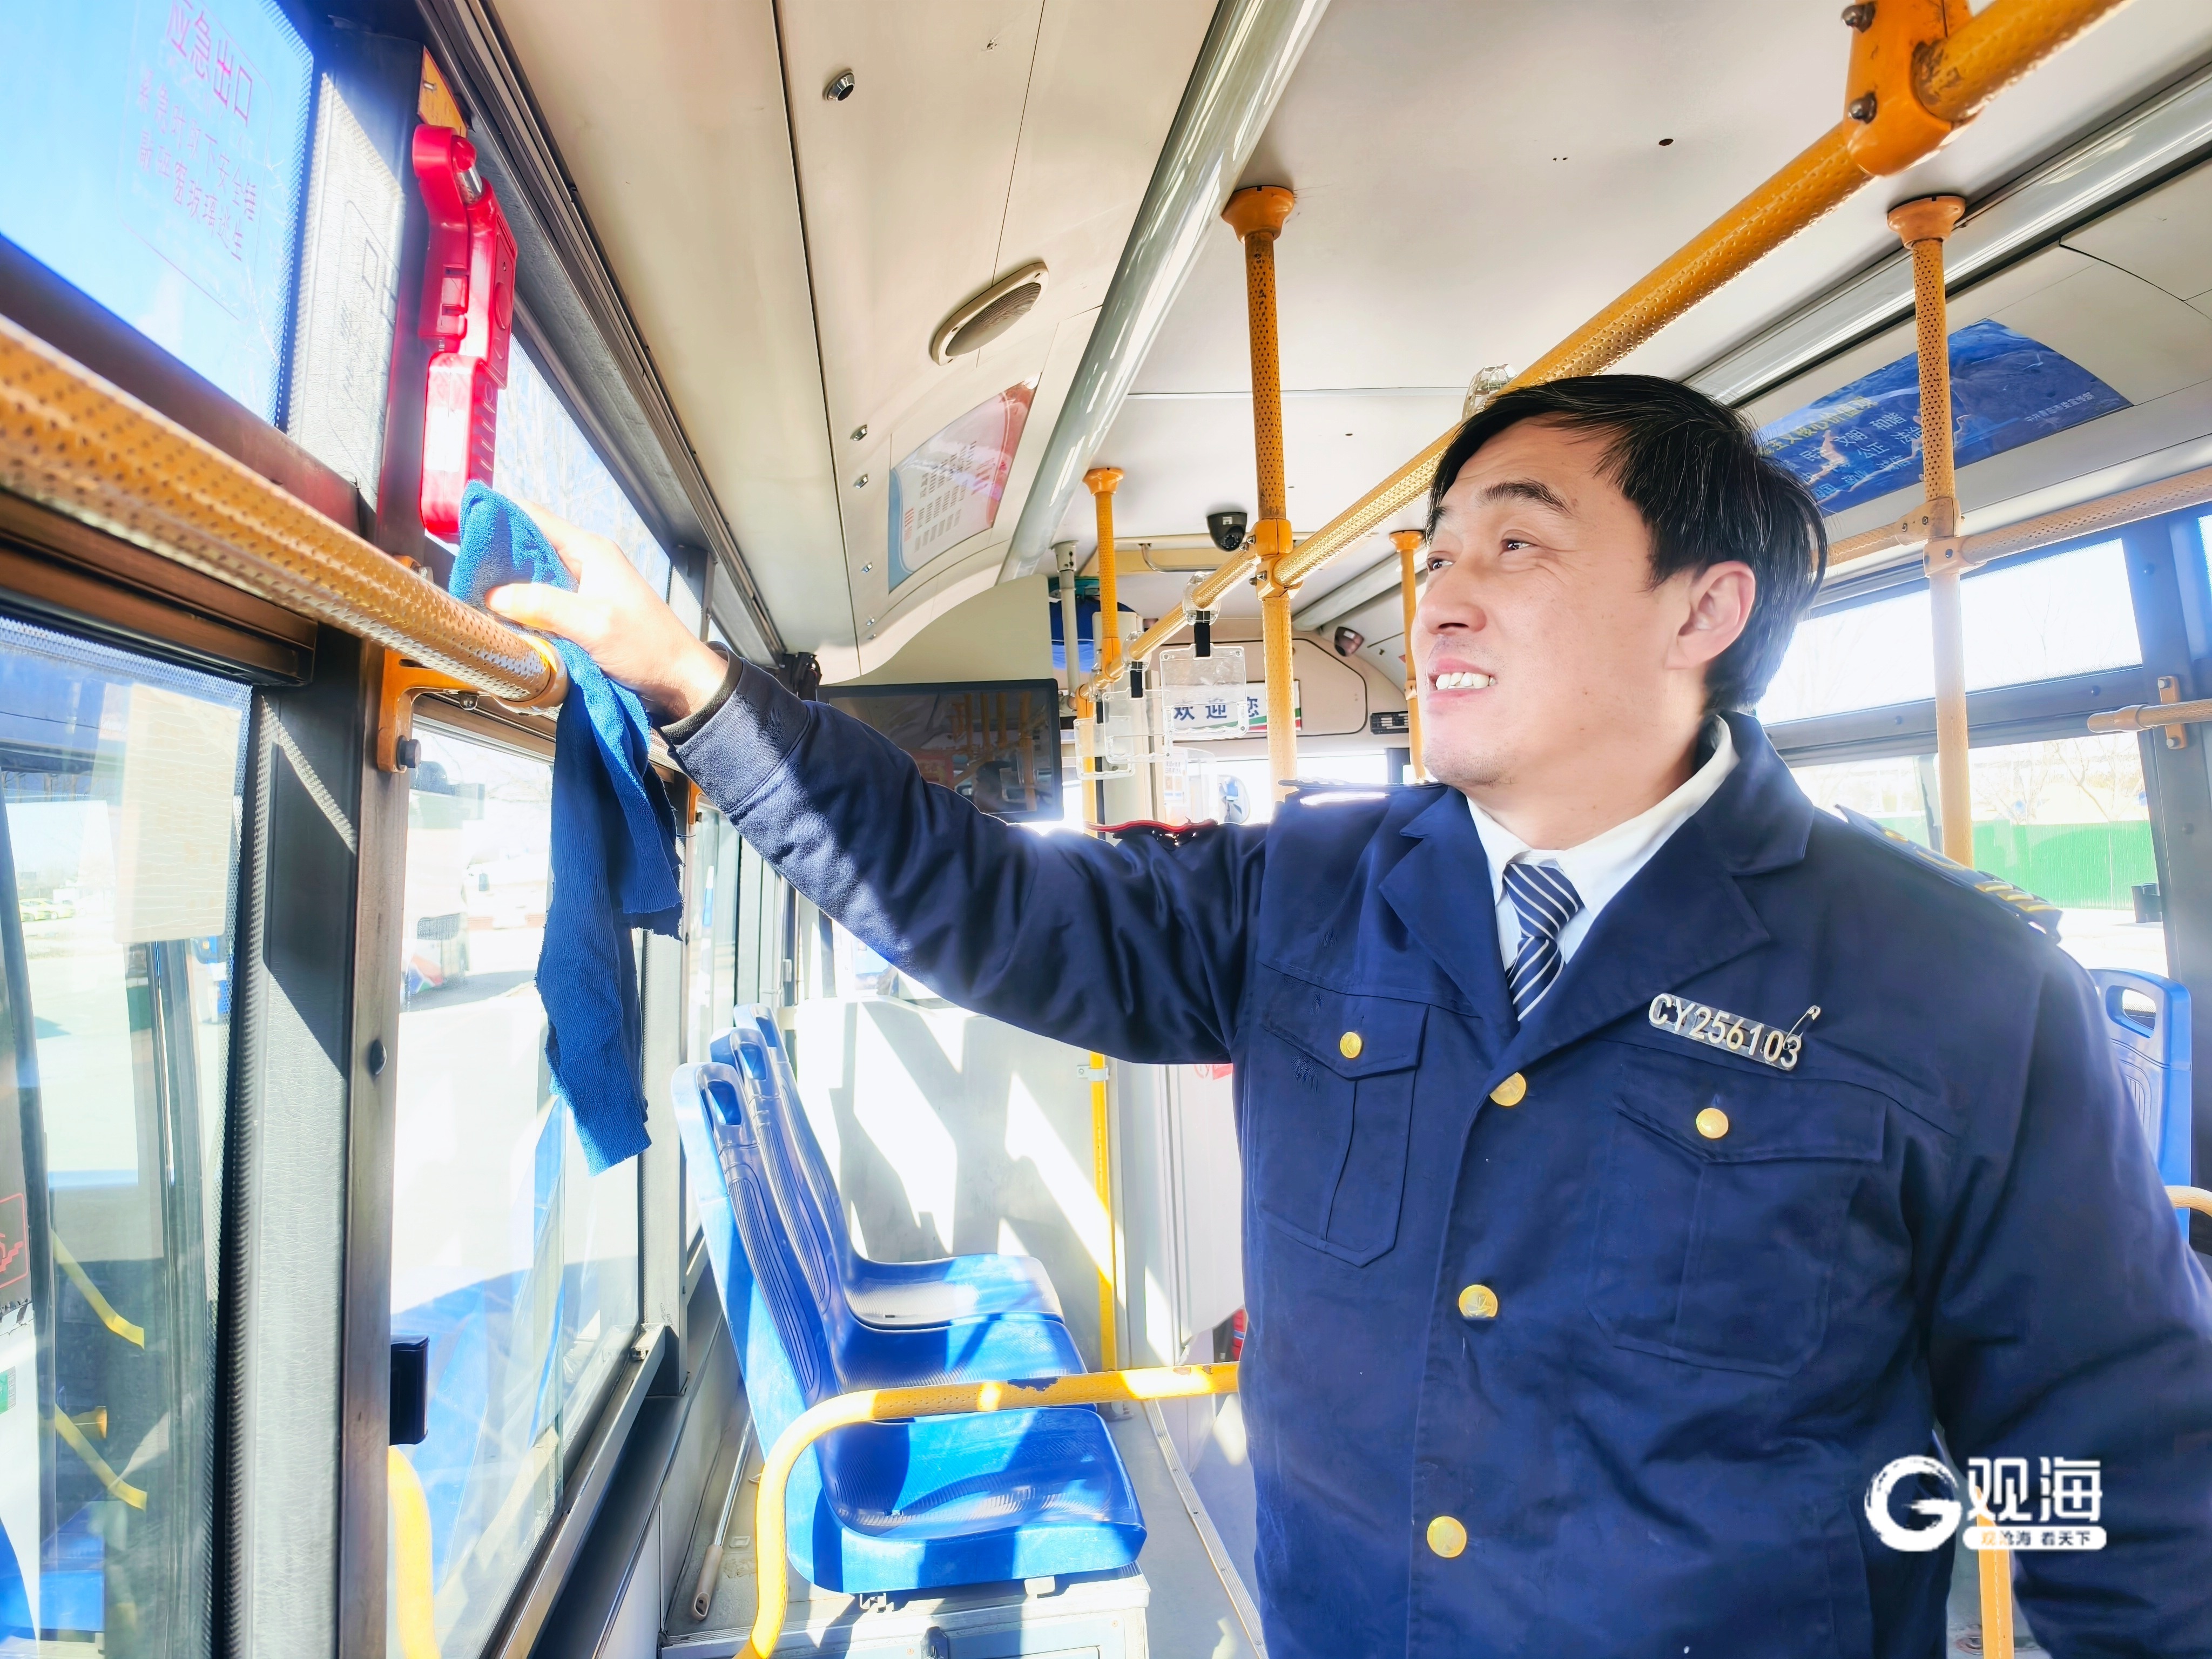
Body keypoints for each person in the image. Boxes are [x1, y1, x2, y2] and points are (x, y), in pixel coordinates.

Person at [488, 375, 2212, 1658]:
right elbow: (984, 899)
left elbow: (2123, 1480)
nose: (1441, 595)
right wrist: (699, 694)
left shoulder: (1958, 990)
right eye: (1435, 554)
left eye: (1515, 547)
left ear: (1705, 608)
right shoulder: (1302, 894)